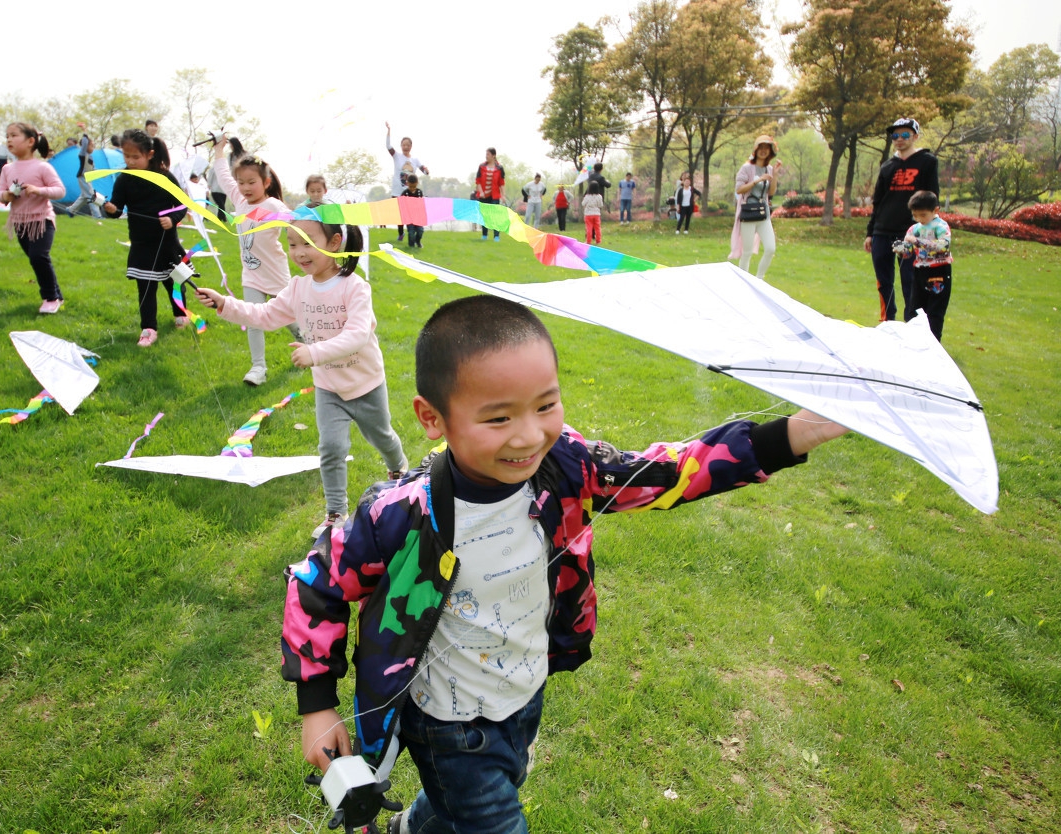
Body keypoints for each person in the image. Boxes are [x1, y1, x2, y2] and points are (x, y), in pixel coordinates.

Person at [283, 294, 849, 834]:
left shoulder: (565, 465)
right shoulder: (403, 515)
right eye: (498, 419)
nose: (530, 435)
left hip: (526, 692)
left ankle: (415, 825)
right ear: (433, 419)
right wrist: (317, 704)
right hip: (448, 724)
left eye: (546, 405)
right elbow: (318, 585)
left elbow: (666, 474)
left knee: (474, 800)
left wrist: (792, 436)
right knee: (491, 817)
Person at [195, 208, 409, 536]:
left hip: (366, 383)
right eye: (292, 244)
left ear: (335, 242)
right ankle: (336, 513)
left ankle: (399, 469)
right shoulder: (297, 288)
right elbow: (265, 315)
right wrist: (225, 304)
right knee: (332, 448)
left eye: (306, 243)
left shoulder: (355, 287)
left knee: (381, 435)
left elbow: (358, 335)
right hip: (328, 388)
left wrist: (314, 352)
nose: (298, 253)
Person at [212, 134, 297, 385]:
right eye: (242, 182)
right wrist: (219, 151)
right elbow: (224, 177)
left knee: (288, 317)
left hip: (276, 274)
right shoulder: (239, 201)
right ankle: (258, 367)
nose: (245, 187)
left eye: (251, 182)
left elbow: (292, 218)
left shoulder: (273, 205)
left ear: (266, 182)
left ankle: (305, 339)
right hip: (251, 275)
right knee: (253, 319)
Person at [101, 129, 188, 347]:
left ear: (149, 154)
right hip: (141, 243)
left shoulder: (164, 176)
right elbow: (117, 208)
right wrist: (111, 209)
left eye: (135, 157)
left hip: (167, 242)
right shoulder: (124, 179)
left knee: (174, 281)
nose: (130, 161)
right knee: (146, 287)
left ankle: (181, 312)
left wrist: (172, 218)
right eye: (126, 157)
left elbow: (182, 204)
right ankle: (148, 328)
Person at [865, 118, 940, 323]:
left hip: (910, 234)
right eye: (895, 135)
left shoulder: (927, 162)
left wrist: (929, 230)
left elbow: (932, 198)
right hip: (883, 231)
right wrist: (871, 232)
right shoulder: (887, 166)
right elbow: (878, 201)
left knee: (910, 280)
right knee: (884, 280)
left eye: (905, 135)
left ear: (915, 136)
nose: (899, 139)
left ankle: (912, 326)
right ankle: (887, 322)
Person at [0, 123, 66, 313]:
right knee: (36, 259)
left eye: (14, 135)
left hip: (42, 220)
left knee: (38, 256)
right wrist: (6, 196)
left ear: (30, 141)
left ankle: (50, 298)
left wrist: (39, 190)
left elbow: (60, 190)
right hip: (19, 222)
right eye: (7, 135)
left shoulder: (42, 167)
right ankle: (57, 295)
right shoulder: (7, 169)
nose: (9, 139)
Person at [899, 190, 953, 341]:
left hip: (938, 272)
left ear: (935, 210)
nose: (919, 219)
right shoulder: (914, 229)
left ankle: (933, 344)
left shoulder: (941, 226)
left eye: (923, 215)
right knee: (915, 309)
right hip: (920, 272)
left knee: (934, 311)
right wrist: (901, 249)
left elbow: (944, 246)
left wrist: (917, 242)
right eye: (915, 215)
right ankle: (914, 342)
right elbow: (908, 253)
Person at [732, 135, 782, 279]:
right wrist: (758, 180)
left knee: (770, 248)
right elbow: (739, 189)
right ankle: (744, 281)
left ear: (770, 152)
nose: (763, 151)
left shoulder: (769, 169)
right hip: (748, 213)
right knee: (747, 252)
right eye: (761, 148)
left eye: (767, 148)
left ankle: (759, 280)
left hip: (763, 213)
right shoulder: (747, 168)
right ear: (756, 150)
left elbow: (771, 192)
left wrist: (775, 175)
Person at [386, 122, 429, 242]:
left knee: (409, 213)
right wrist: (389, 130)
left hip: (411, 191)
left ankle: (412, 232)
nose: (406, 147)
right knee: (398, 214)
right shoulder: (397, 156)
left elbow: (422, 169)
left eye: (408, 145)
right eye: (403, 145)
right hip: (397, 190)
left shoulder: (414, 159)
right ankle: (401, 233)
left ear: (411, 146)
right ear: (401, 146)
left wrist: (426, 171)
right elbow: (388, 146)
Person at [67, 124, 102, 219]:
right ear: (85, 146)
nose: (93, 148)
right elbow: (85, 142)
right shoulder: (83, 154)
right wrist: (85, 130)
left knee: (84, 197)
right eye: (92, 146)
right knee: (91, 195)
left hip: (88, 178)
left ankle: (71, 210)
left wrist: (101, 173)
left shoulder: (90, 157)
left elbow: (92, 169)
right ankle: (97, 215)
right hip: (83, 177)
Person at [474, 147, 506, 241]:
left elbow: (501, 183)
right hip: (484, 195)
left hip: (495, 195)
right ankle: (484, 235)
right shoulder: (482, 167)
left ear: (493, 156)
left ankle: (496, 236)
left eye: (488, 154)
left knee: (495, 215)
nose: (486, 156)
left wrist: (503, 195)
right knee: (485, 215)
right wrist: (481, 192)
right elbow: (478, 181)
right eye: (486, 154)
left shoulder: (499, 168)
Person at [402, 173, 425, 248]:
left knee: (420, 231)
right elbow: (402, 204)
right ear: (407, 183)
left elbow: (421, 203)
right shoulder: (405, 193)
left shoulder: (419, 192)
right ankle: (411, 245)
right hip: (409, 217)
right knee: (411, 232)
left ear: (417, 183)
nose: (412, 188)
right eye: (410, 186)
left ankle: (418, 241)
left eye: (414, 186)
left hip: (418, 217)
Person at [581, 180, 604, 244]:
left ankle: (588, 241)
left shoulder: (587, 196)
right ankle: (598, 240)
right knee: (597, 228)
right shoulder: (599, 196)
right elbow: (600, 205)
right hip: (596, 214)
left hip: (588, 214)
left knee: (589, 228)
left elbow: (583, 204)